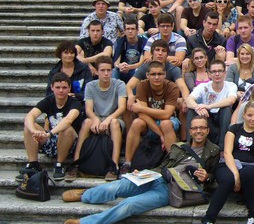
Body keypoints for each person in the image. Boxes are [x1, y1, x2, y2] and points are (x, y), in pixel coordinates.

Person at [61, 116, 220, 224]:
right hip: (156, 177)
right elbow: (162, 166)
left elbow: (214, 176)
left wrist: (207, 177)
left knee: (130, 204)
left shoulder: (213, 151)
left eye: (202, 128)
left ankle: (85, 222)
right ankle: (85, 194)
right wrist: (145, 173)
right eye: (195, 128)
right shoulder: (179, 147)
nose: (199, 131)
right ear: (191, 131)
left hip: (170, 191)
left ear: (207, 130)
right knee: (116, 186)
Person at [201, 101, 254, 224]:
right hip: (229, 163)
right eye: (249, 115)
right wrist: (235, 174)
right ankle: (209, 218)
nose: (253, 119)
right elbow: (227, 153)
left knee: (248, 173)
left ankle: (253, 215)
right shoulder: (234, 129)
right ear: (244, 115)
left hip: (250, 167)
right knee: (228, 179)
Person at [65, 56, 125, 182]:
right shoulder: (90, 86)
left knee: (114, 123)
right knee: (87, 121)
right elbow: (88, 109)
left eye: (109, 70)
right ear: (97, 71)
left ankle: (114, 166)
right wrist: (95, 119)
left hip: (113, 119)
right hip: (96, 119)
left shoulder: (119, 84)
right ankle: (76, 164)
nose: (106, 73)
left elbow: (121, 108)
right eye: (102, 70)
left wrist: (108, 119)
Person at [16, 72, 82, 182]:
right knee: (29, 126)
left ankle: (59, 165)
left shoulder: (75, 102)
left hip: (69, 143)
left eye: (64, 87)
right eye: (58, 87)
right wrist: (34, 131)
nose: (61, 90)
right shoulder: (48, 100)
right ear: (52, 87)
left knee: (67, 129)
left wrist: (49, 133)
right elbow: (30, 116)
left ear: (69, 88)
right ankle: (33, 164)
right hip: (50, 140)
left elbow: (68, 120)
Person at [119, 61, 180, 174]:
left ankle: (173, 163)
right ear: (147, 75)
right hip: (149, 124)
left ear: (165, 74)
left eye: (159, 74)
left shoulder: (172, 87)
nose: (156, 77)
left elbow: (167, 114)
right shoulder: (142, 85)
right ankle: (127, 163)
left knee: (165, 123)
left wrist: (142, 108)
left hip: (169, 122)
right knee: (137, 122)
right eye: (153, 74)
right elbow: (142, 115)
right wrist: (161, 134)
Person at [126, 40, 190, 138]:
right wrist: (130, 96)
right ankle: (129, 137)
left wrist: (186, 99)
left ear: (167, 54)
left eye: (163, 51)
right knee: (130, 103)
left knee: (183, 103)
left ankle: (183, 140)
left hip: (168, 99)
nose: (160, 53)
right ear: (152, 52)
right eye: (157, 50)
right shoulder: (145, 67)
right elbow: (130, 85)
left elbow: (182, 87)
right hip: (149, 99)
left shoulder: (173, 69)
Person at [186, 60, 237, 149]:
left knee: (226, 109)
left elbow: (231, 100)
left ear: (225, 73)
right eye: (213, 71)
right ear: (209, 74)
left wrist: (209, 106)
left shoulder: (231, 85)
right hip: (206, 117)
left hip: (221, 118)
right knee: (191, 110)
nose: (217, 74)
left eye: (220, 71)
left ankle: (222, 148)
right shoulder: (203, 86)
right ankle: (190, 146)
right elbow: (189, 100)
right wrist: (197, 107)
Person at [112, 18, 147, 83]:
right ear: (124, 31)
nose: (130, 31)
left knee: (137, 71)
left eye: (133, 29)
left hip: (136, 69)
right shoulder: (119, 41)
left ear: (137, 30)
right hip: (122, 70)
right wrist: (120, 66)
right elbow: (116, 62)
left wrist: (129, 67)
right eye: (128, 29)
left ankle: (133, 93)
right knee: (114, 71)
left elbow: (141, 63)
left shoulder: (144, 41)